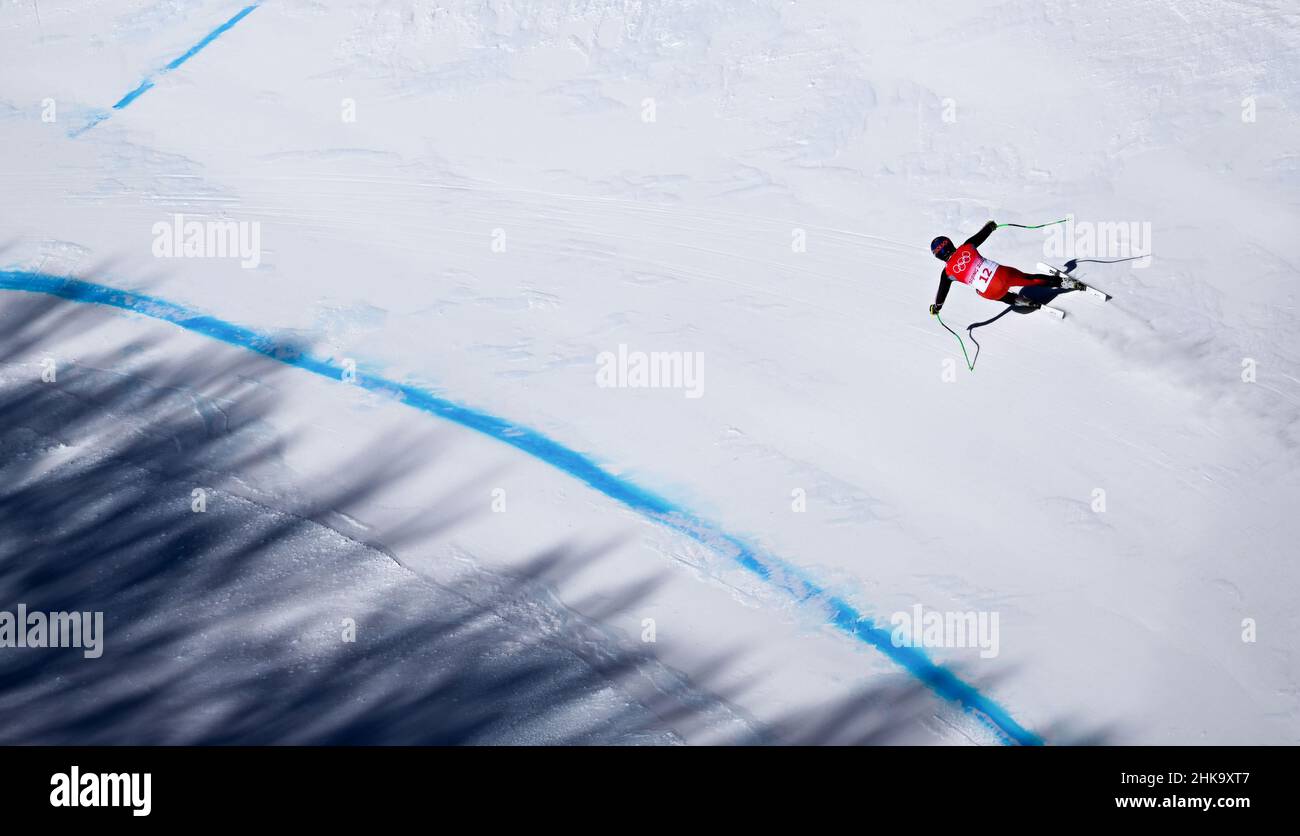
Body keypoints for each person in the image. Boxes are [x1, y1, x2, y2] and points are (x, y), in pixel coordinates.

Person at [928, 221, 1070, 315]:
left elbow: (941, 296)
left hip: (991, 292)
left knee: (981, 291)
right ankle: (1064, 283)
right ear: (950, 243)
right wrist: (991, 226)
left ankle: (1021, 301)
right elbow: (983, 234)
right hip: (1003, 275)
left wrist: (936, 308)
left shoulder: (947, 273)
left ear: (938, 256)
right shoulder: (967, 246)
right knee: (1030, 279)